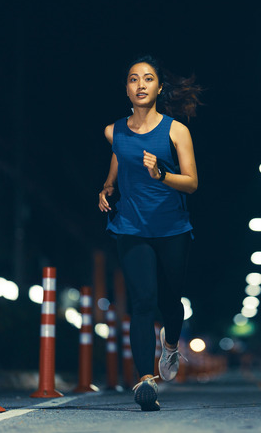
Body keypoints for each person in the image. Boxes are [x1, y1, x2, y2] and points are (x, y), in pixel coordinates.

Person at [98, 55, 201, 411]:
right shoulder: (114, 131)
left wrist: (162, 175)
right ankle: (145, 380)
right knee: (142, 301)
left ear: (159, 88)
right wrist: (108, 186)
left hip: (172, 228)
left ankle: (170, 346)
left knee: (170, 302)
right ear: (126, 89)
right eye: (133, 79)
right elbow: (120, 157)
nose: (140, 84)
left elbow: (192, 182)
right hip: (131, 226)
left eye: (148, 78)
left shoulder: (176, 131)